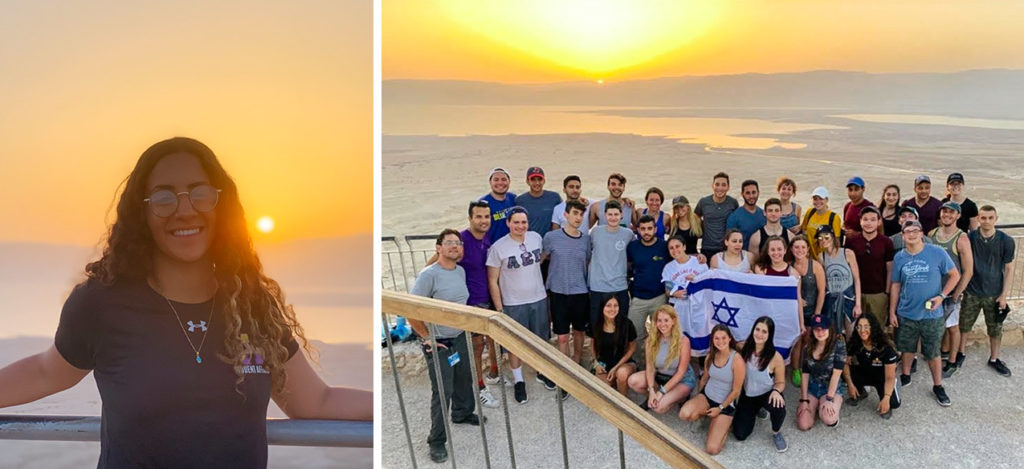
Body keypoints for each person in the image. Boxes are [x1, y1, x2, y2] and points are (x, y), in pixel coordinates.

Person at [0, 138, 372, 468]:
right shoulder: (101, 304)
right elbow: (46, 372)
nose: (184, 209)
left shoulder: (252, 306)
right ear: (142, 214)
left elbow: (314, 402)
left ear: (220, 205)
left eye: (200, 193)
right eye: (163, 197)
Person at [409, 230, 485, 463]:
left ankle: (462, 413)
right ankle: (437, 440)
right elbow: (411, 309)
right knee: (443, 391)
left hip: (459, 336)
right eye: (449, 243)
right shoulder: (429, 275)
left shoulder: (460, 271)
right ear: (438, 248)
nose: (454, 246)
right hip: (439, 342)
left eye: (457, 243)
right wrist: (425, 337)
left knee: (464, 378)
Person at [889, 219, 960, 406]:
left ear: (922, 233)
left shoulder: (936, 252)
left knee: (933, 353)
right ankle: (905, 374)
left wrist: (942, 296)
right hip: (906, 313)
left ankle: (938, 386)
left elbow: (955, 275)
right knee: (906, 347)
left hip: (932, 315)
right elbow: (896, 285)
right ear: (902, 236)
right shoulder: (899, 258)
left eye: (915, 231)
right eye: (907, 231)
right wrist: (892, 311)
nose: (911, 234)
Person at [486, 207, 549, 404]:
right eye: (516, 222)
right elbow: (492, 280)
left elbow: (540, 259)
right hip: (513, 303)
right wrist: (499, 309)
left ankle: (542, 372)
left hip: (538, 297)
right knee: (515, 344)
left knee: (541, 339)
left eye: (523, 222)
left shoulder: (536, 238)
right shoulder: (498, 248)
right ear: (508, 223)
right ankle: (519, 380)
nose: (520, 226)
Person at [957, 205, 1015, 377]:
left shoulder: (1006, 241)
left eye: (990, 218)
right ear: (978, 219)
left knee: (995, 329)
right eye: (983, 218)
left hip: (994, 294)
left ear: (996, 219)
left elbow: (1009, 269)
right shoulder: (970, 238)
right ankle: (961, 353)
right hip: (972, 291)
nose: (987, 221)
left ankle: (995, 358)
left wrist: (1003, 295)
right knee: (965, 325)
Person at [459, 201, 503, 408]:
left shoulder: (486, 238)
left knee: (493, 340)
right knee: (477, 347)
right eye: (479, 217)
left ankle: (495, 373)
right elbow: (436, 263)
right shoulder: (461, 240)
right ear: (470, 218)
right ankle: (480, 387)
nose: (483, 220)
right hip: (471, 303)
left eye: (487, 216)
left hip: (488, 298)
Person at [679, 325, 745, 455]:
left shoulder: (737, 360)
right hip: (707, 396)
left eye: (723, 338)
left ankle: (723, 424)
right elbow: (704, 379)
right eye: (716, 338)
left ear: (730, 339)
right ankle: (705, 415)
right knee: (684, 414)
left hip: (725, 404)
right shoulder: (711, 356)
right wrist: (698, 397)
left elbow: (736, 391)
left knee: (712, 449)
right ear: (712, 340)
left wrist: (720, 408)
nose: (720, 341)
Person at [542, 200, 592, 368]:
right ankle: (566, 367)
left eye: (581, 214)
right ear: (566, 215)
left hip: (580, 292)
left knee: (579, 331)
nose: (578, 218)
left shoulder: (586, 240)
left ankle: (577, 360)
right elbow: (541, 260)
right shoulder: (551, 237)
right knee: (562, 336)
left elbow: (587, 263)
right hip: (558, 292)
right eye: (575, 213)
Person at [928, 202, 973, 378]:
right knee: (935, 324)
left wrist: (956, 294)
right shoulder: (932, 234)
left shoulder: (961, 238)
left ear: (958, 216)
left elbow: (968, 270)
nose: (947, 214)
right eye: (944, 211)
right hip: (934, 291)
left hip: (951, 292)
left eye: (951, 212)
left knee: (952, 327)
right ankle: (938, 353)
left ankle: (952, 361)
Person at [627, 305, 697, 414]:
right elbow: (650, 367)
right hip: (660, 376)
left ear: (673, 321)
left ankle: (679, 398)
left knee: (659, 408)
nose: (662, 324)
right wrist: (651, 391)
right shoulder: (650, 341)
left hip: (681, 379)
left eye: (666, 320)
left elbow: (680, 372)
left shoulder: (684, 341)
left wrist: (661, 392)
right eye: (659, 320)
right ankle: (655, 397)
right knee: (633, 381)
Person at [732, 317, 788, 453]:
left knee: (779, 407)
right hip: (747, 394)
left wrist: (776, 391)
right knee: (740, 434)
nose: (759, 334)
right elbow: (730, 346)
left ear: (770, 335)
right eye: (757, 329)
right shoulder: (743, 347)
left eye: (764, 331)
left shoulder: (776, 357)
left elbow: (780, 382)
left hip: (766, 393)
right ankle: (757, 409)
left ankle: (776, 432)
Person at [627, 215, 670, 364]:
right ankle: (639, 365)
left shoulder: (664, 246)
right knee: (635, 334)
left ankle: (659, 365)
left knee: (661, 334)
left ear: (655, 229)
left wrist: (698, 257)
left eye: (649, 228)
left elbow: (678, 260)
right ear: (638, 230)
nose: (646, 232)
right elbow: (627, 266)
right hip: (638, 298)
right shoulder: (632, 247)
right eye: (643, 229)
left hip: (659, 298)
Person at [588, 200, 636, 331]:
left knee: (620, 325)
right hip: (598, 286)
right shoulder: (595, 232)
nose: (613, 217)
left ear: (621, 215)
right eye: (610, 214)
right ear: (604, 215)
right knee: (596, 325)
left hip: (619, 286)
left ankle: (619, 351)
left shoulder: (628, 234)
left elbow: (634, 253)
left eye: (616, 214)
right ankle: (597, 351)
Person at [844, 206, 894, 330]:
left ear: (879, 222)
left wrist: (886, 292)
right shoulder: (852, 242)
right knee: (857, 327)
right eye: (865, 219)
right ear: (860, 221)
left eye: (872, 219)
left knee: (877, 327)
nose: (869, 223)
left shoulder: (886, 242)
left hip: (878, 293)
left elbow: (890, 269)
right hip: (856, 293)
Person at [844, 314, 901, 420]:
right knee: (843, 374)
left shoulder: (885, 347)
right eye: (859, 327)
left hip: (882, 378)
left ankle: (892, 389)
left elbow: (889, 377)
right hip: (865, 371)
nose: (862, 330)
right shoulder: (855, 342)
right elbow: (845, 363)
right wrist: (850, 384)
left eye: (866, 326)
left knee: (894, 403)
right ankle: (860, 392)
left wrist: (887, 397)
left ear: (873, 327)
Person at [662, 237, 709, 362]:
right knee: (681, 337)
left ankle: (701, 367)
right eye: (671, 248)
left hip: (698, 307)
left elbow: (708, 285)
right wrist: (674, 293)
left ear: (684, 247)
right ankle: (683, 366)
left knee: (699, 336)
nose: (675, 250)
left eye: (677, 246)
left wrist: (695, 280)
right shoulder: (669, 267)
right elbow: (667, 290)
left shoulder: (699, 262)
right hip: (679, 308)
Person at [797, 314, 846, 430]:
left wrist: (829, 399)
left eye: (823, 328)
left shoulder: (839, 345)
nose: (820, 332)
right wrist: (804, 400)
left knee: (829, 419)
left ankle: (827, 404)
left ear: (829, 328)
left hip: (830, 387)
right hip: (813, 386)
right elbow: (805, 374)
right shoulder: (807, 347)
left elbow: (836, 374)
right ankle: (817, 405)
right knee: (803, 425)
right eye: (816, 329)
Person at [789, 235, 825, 387]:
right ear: (791, 249)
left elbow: (822, 291)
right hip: (794, 312)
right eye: (796, 247)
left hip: (812, 311)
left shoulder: (815, 266)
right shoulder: (788, 266)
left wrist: (817, 313)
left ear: (808, 249)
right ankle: (796, 369)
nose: (800, 250)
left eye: (803, 247)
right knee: (797, 341)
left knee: (810, 341)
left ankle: (810, 368)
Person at [816, 225, 862, 335]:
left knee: (851, 333)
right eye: (820, 238)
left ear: (833, 237)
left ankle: (849, 352)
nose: (824, 241)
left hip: (848, 297)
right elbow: (822, 283)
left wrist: (858, 304)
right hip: (831, 299)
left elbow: (856, 280)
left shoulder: (847, 253)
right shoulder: (821, 256)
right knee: (833, 334)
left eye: (826, 237)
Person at [589, 294, 638, 396]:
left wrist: (616, 367)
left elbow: (632, 347)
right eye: (608, 305)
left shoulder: (626, 324)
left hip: (624, 363)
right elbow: (592, 345)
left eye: (615, 305)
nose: (612, 309)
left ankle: (623, 402)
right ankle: (615, 383)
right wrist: (595, 363)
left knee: (622, 373)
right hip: (604, 364)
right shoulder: (595, 324)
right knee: (603, 391)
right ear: (602, 306)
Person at [695, 172, 739, 259]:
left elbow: (737, 222)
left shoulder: (733, 203)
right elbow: (695, 219)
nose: (720, 188)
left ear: (728, 187)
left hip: (726, 248)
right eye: (717, 184)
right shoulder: (703, 202)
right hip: (707, 247)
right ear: (712, 186)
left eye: (723, 185)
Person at [516, 166, 562, 238]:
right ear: (527, 181)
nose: (537, 183)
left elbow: (565, 212)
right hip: (529, 242)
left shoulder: (554, 197)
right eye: (533, 180)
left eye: (540, 179)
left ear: (544, 181)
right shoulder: (520, 200)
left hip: (550, 241)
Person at [799, 186, 842, 257]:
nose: (818, 202)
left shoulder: (834, 217)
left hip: (825, 257)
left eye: (821, 199)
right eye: (815, 199)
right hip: (809, 256)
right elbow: (804, 230)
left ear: (827, 200)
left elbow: (837, 241)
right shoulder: (810, 212)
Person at [725, 179, 766, 250]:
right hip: (743, 256)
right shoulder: (734, 217)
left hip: (763, 256)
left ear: (758, 193)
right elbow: (730, 242)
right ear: (742, 194)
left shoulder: (764, 214)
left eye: (753, 192)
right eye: (747, 193)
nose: (751, 196)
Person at [481, 167, 517, 243]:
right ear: (490, 182)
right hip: (492, 248)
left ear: (509, 181)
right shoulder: (483, 203)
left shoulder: (513, 198)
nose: (500, 183)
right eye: (496, 180)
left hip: (513, 245)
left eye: (504, 179)